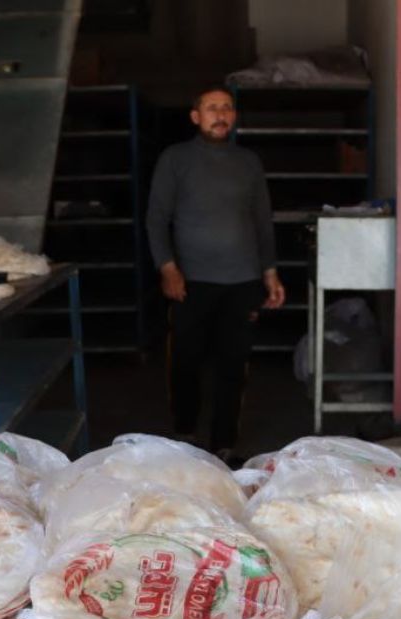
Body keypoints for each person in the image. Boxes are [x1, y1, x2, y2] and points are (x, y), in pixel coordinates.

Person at [146, 85, 285, 465]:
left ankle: (225, 442)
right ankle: (185, 434)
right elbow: (157, 217)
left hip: (242, 280)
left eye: (226, 107)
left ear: (234, 115)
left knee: (233, 364)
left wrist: (269, 273)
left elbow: (262, 222)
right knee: (185, 360)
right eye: (211, 108)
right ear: (196, 116)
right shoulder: (175, 159)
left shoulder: (248, 162)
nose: (219, 114)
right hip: (192, 280)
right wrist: (167, 267)